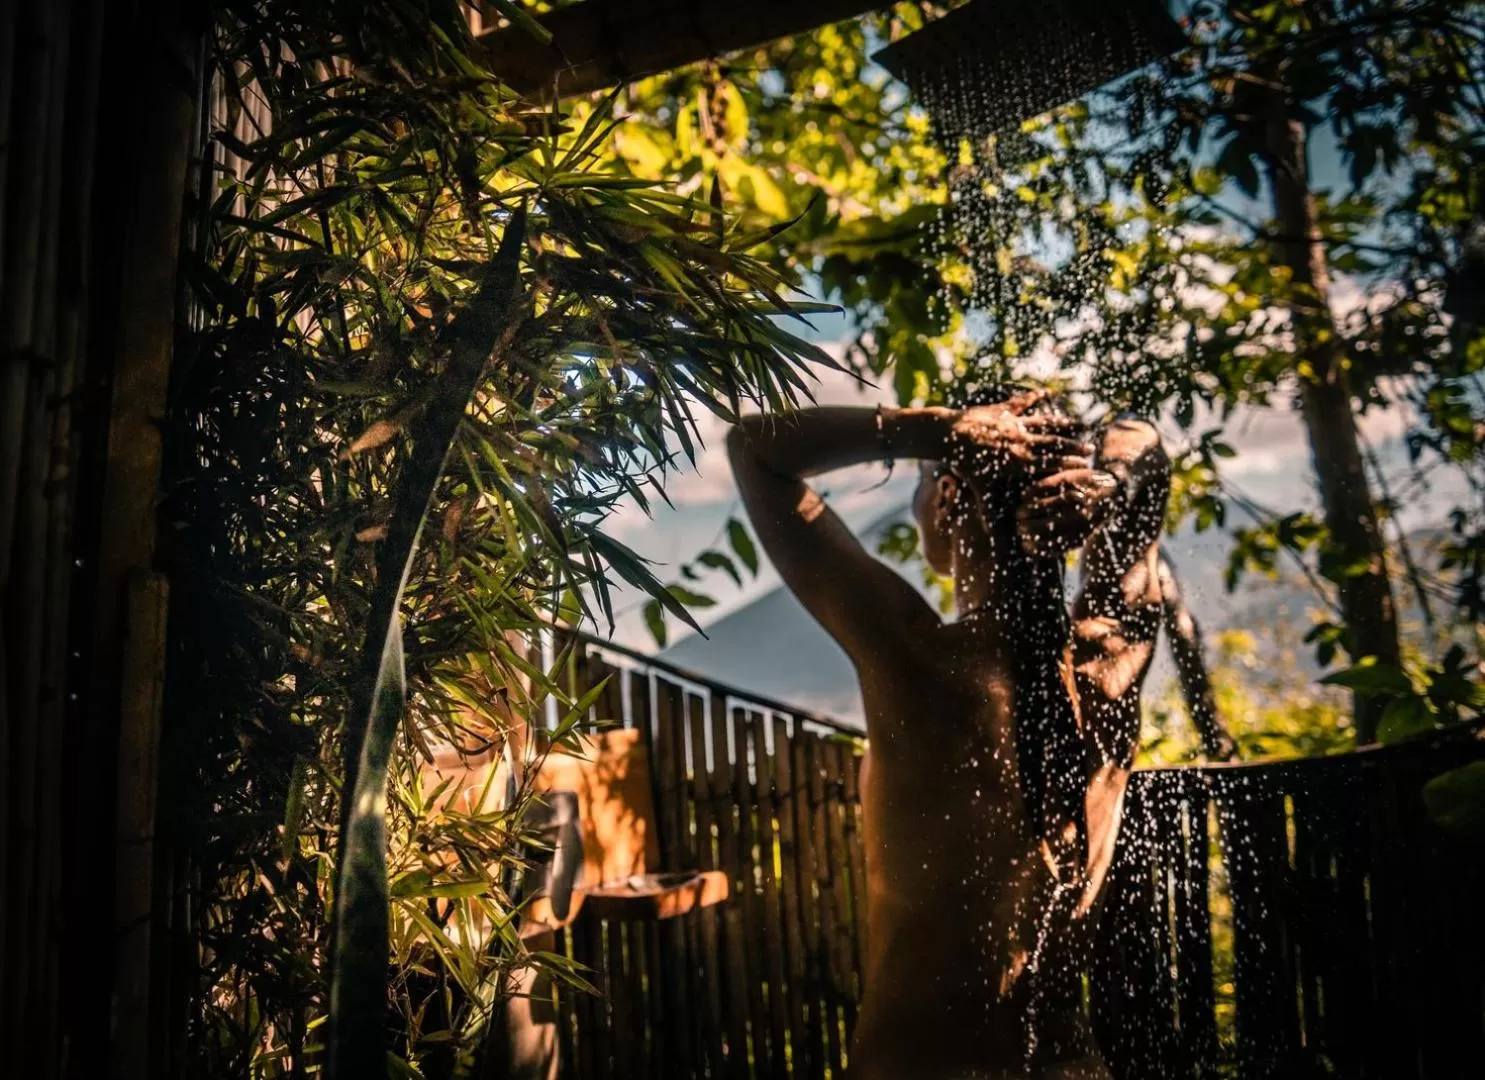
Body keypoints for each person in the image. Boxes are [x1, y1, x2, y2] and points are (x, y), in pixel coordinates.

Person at [726, 388, 1170, 1079]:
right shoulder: (1112, 661)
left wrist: (934, 431)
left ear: (949, 499)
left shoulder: (915, 663)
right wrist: (1108, 482)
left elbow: (754, 448)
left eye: (923, 485)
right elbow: (1146, 447)